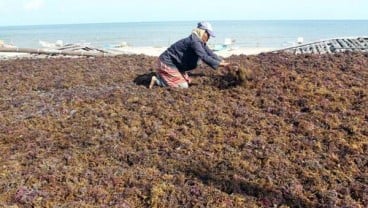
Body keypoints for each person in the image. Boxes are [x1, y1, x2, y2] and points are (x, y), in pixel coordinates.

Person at [149, 21, 231, 89]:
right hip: (167, 63)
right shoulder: (194, 42)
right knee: (183, 86)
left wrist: (221, 61)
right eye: (208, 35)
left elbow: (210, 53)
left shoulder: (200, 42)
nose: (209, 37)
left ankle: (164, 75)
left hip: (176, 64)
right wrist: (221, 65)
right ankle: (158, 80)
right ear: (202, 32)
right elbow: (204, 57)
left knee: (188, 81)